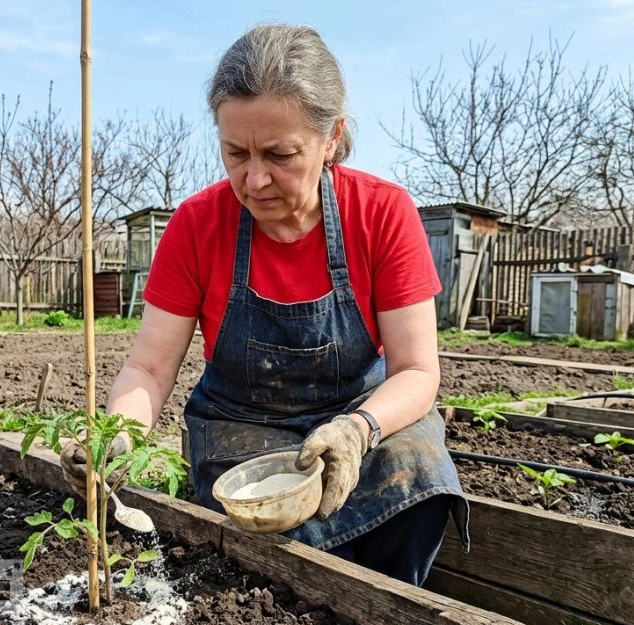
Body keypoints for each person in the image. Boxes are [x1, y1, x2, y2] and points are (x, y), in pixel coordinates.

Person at [63, 22, 468, 586]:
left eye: (280, 154)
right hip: (242, 426)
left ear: (331, 139)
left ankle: (395, 621)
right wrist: (115, 438)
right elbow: (149, 367)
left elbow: (418, 371)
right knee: (275, 530)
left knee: (418, 475)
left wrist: (359, 428)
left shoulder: (381, 213)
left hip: (359, 414)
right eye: (235, 153)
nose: (254, 180)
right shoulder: (197, 225)